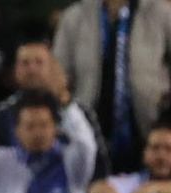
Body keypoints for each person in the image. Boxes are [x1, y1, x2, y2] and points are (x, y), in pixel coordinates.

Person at [53, 0, 171, 175]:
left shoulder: (160, 13)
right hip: (90, 123)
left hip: (150, 122)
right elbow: (58, 73)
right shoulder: (75, 17)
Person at [0, 74, 96, 193]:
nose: (38, 132)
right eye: (30, 126)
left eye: (44, 125)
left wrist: (66, 103)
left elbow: (86, 144)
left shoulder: (71, 163)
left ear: (55, 128)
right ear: (16, 131)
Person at [0, 40, 107, 179]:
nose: (32, 69)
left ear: (53, 68)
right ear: (15, 71)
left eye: (39, 62)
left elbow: (97, 166)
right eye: (25, 63)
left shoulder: (80, 114)